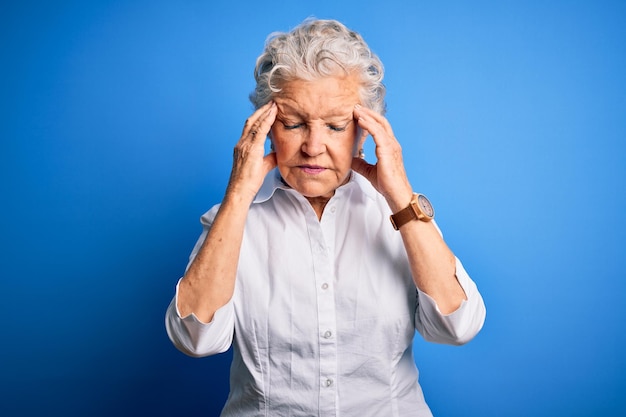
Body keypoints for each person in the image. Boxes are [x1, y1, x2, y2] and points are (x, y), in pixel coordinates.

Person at [165, 18, 486, 417]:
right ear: (266, 128)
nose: (313, 147)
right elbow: (196, 338)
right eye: (294, 124)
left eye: (335, 126)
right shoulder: (233, 219)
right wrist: (238, 195)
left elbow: (458, 326)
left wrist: (400, 194)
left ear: (364, 132)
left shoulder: (399, 212)